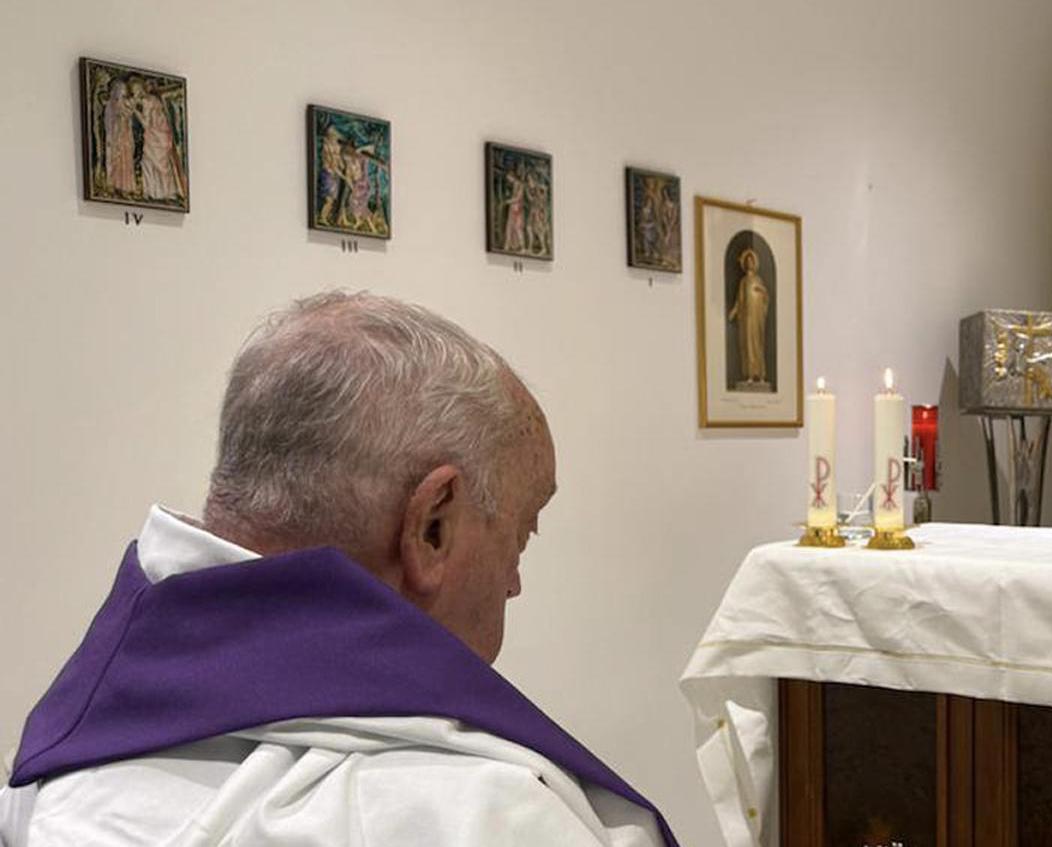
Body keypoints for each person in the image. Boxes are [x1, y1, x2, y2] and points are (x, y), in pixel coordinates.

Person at [0, 292, 677, 846]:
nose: (513, 582)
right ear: (432, 524)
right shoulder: (483, 816)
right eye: (520, 536)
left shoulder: (47, 779)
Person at [726, 246, 771, 388]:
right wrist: (734, 311)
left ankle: (761, 374)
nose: (750, 263)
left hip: (757, 316)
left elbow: (766, 297)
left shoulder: (758, 280)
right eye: (748, 261)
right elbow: (740, 300)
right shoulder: (744, 281)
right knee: (748, 345)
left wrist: (762, 291)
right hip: (747, 317)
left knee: (757, 343)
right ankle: (750, 374)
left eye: (752, 261)